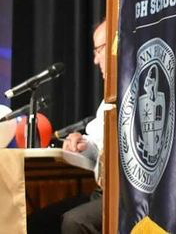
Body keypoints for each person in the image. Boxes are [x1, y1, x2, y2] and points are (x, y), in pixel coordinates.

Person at [28, 20, 108, 234]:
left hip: (127, 196)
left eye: (99, 50)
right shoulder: (108, 98)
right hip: (102, 191)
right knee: (37, 222)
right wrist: (82, 143)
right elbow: (99, 145)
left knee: (74, 222)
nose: (95, 60)